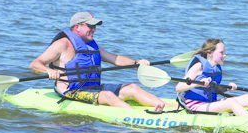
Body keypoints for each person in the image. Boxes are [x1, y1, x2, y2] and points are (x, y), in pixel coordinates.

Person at [30, 11, 165, 111]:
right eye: (90, 26)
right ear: (77, 27)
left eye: (95, 27)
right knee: (108, 95)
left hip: (92, 88)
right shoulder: (62, 44)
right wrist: (48, 70)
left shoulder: (91, 46)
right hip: (71, 91)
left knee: (132, 88)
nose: (94, 30)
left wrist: (137, 64)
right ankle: (137, 115)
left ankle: (168, 107)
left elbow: (115, 59)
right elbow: (35, 64)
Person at [175, 38, 248, 117]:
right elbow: (179, 87)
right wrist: (197, 83)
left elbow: (213, 89)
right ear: (210, 53)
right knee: (231, 102)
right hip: (195, 105)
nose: (225, 55)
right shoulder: (198, 66)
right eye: (221, 52)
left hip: (209, 103)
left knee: (247, 98)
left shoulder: (216, 68)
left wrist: (226, 88)